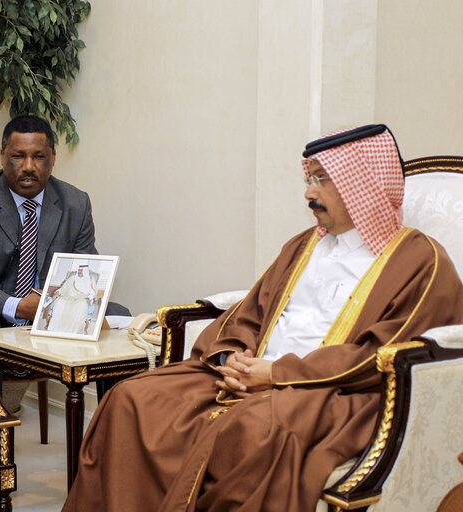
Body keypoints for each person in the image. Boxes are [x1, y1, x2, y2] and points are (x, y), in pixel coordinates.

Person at [62, 124, 463, 512]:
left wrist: (277, 374)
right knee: (132, 399)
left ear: (364, 185)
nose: (309, 193)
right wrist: (231, 356)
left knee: (254, 432)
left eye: (322, 180)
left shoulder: (419, 259)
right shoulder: (305, 245)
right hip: (252, 374)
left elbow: (381, 352)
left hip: (332, 391)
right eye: (309, 179)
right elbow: (252, 311)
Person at [0, 115, 129, 328]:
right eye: (18, 156)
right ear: (3, 156)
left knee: (120, 314)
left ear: (53, 157)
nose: (28, 167)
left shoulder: (76, 203)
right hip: (0, 310)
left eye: (39, 157)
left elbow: (85, 273)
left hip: (58, 310)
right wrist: (19, 307)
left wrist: (58, 306)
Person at [45, 263, 98, 334]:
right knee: (60, 302)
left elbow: (93, 292)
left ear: (85, 271)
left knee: (81, 305)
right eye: (79, 270)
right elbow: (63, 288)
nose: (79, 271)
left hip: (81, 298)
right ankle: (54, 328)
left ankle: (73, 330)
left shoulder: (90, 280)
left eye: (81, 270)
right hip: (68, 297)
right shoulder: (72, 278)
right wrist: (57, 292)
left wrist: (89, 298)